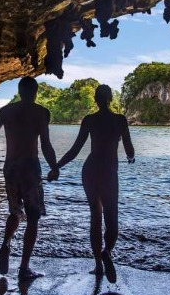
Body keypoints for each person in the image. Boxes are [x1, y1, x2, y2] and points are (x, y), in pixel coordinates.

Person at [48, 84, 134, 283]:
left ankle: (97, 265)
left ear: (95, 99)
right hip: (108, 171)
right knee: (112, 221)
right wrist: (130, 157)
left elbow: (75, 150)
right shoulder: (120, 120)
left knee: (95, 216)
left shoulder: (89, 120)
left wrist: (56, 166)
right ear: (110, 99)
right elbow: (129, 149)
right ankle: (107, 252)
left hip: (90, 170)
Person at [0, 76, 57, 281]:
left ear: (20, 91)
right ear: (35, 92)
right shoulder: (41, 113)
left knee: (15, 212)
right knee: (33, 218)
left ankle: (6, 242)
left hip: (11, 168)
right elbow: (46, 145)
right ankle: (24, 268)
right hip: (30, 169)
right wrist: (54, 167)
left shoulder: (6, 111)